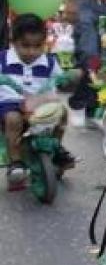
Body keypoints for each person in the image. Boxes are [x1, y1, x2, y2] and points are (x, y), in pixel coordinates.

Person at [0, 14, 78, 186]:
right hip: (10, 103)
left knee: (62, 113)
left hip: (41, 102)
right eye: (25, 46)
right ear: (13, 42)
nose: (32, 52)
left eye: (37, 46)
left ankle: (56, 149)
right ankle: (15, 161)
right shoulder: (3, 59)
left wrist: (67, 79)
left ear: (44, 43)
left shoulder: (49, 62)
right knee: (13, 119)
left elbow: (60, 79)